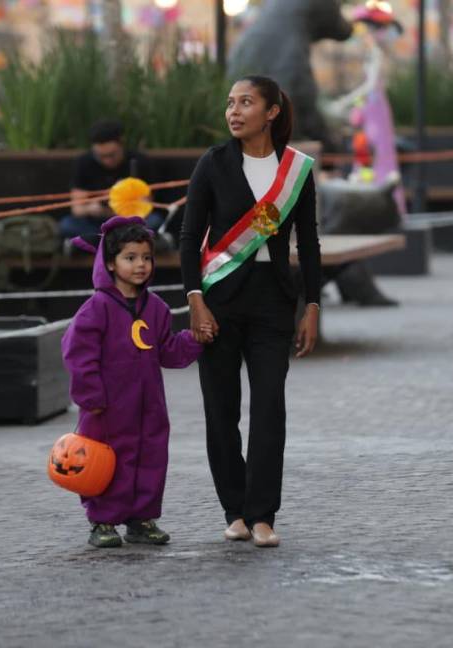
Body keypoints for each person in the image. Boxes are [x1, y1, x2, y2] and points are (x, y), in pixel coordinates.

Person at [180, 75, 322, 548]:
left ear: (272, 112)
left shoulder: (296, 170)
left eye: (246, 102)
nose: (234, 111)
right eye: (230, 103)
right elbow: (188, 237)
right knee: (221, 412)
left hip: (272, 301)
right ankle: (234, 509)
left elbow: (310, 243)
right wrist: (194, 299)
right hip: (219, 298)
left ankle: (263, 514)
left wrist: (313, 305)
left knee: (269, 410)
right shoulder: (214, 164)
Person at [61, 218, 203, 548]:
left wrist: (195, 338)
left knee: (150, 457)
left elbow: (167, 351)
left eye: (146, 257)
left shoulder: (156, 309)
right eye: (130, 257)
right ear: (110, 263)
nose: (140, 265)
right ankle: (102, 520)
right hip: (107, 407)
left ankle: (141, 518)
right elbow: (78, 353)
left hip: (149, 405)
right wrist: (91, 396)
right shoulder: (95, 309)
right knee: (106, 462)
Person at [61, 120, 164, 240]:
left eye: (112, 155)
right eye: (101, 156)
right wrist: (90, 208)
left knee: (154, 221)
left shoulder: (139, 162)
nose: (107, 161)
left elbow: (146, 205)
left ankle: (106, 240)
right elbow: (77, 209)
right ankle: (115, 240)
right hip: (96, 221)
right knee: (67, 225)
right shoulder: (83, 163)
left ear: (122, 144)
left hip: (128, 221)